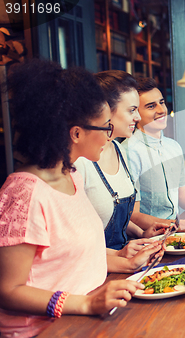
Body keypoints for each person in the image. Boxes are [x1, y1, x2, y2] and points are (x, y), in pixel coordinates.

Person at [0, 60, 160, 337]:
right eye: (104, 128)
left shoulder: (71, 176)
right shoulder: (24, 195)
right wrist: (85, 303)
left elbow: (69, 259)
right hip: (45, 330)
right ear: (76, 133)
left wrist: (125, 261)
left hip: (87, 318)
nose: (108, 136)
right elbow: (7, 291)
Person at [74, 71, 172, 255]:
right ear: (104, 110)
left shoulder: (119, 150)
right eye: (132, 110)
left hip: (126, 258)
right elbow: (73, 242)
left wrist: (142, 233)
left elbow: (114, 217)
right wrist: (119, 255)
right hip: (97, 268)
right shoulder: (79, 163)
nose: (137, 117)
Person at [123, 77, 185, 232]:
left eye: (161, 102)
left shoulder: (174, 146)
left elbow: (183, 195)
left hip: (178, 233)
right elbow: (132, 215)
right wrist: (181, 225)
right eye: (151, 106)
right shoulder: (128, 151)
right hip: (149, 239)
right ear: (135, 113)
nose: (161, 110)